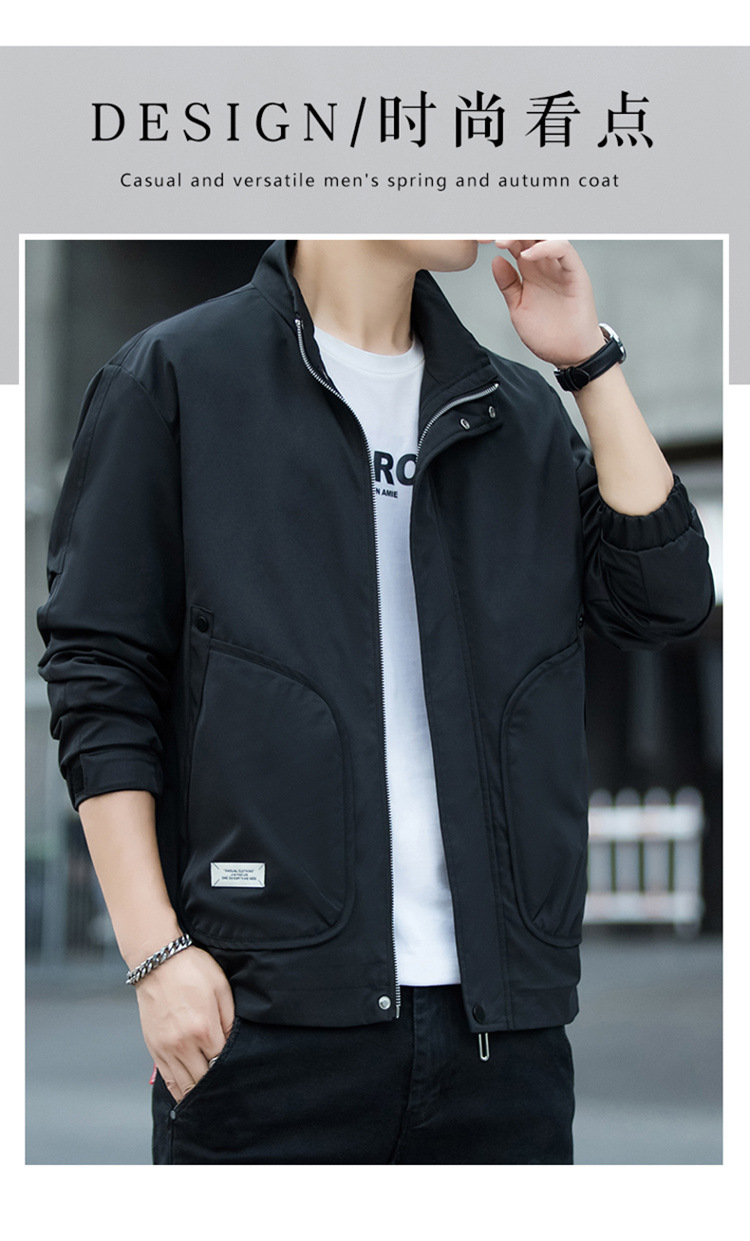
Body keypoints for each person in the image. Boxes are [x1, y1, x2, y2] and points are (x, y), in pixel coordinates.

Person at [37, 238, 714, 1164]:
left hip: (501, 1041)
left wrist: (588, 362)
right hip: (265, 1023)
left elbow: (664, 598)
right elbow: (99, 674)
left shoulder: (512, 411)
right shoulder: (178, 378)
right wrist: (156, 956)